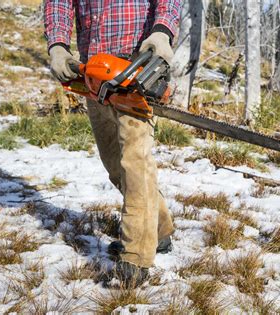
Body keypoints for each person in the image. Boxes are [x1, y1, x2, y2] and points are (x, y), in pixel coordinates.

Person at [44, 0, 181, 284]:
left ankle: (136, 257)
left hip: (138, 66)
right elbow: (59, 3)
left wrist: (161, 31)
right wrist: (58, 45)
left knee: (134, 162)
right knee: (116, 166)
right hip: (94, 72)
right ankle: (160, 229)